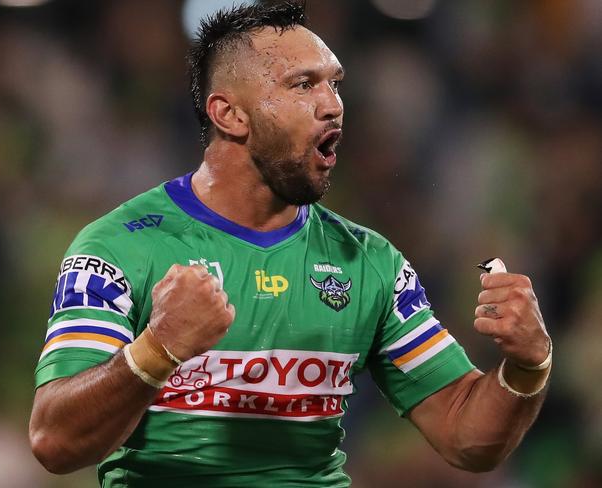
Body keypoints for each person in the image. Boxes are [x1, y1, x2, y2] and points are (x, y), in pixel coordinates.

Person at [28, 3, 552, 487]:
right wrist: (157, 348)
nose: (333, 105)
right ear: (229, 114)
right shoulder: (120, 247)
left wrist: (528, 366)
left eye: (335, 85)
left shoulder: (369, 262)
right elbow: (54, 441)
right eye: (303, 85)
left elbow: (465, 438)